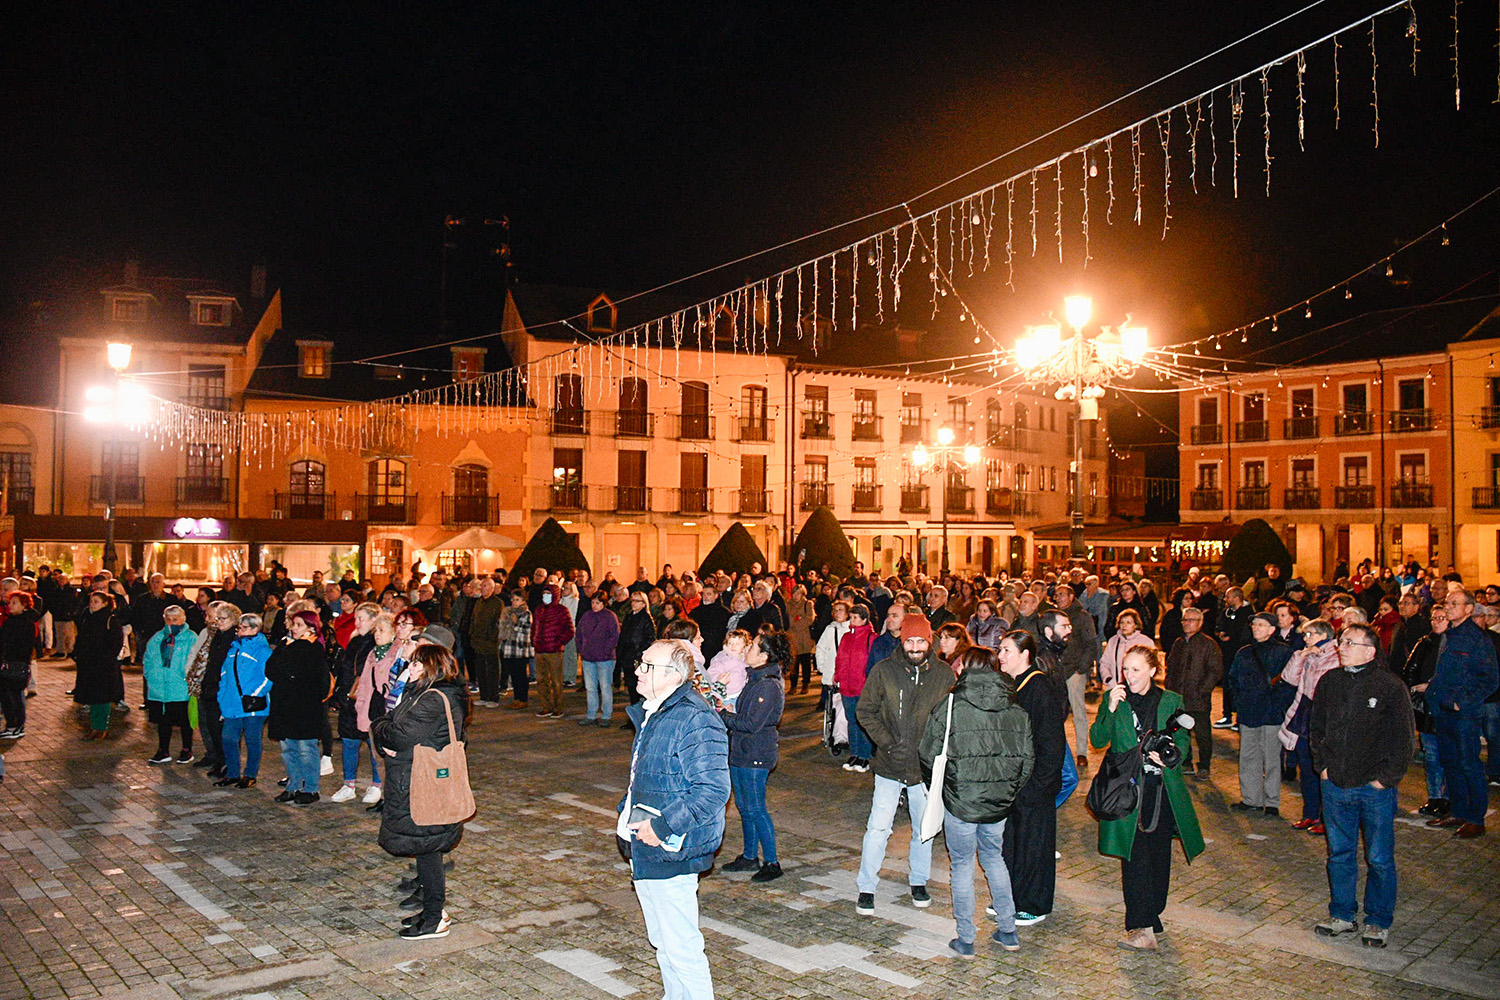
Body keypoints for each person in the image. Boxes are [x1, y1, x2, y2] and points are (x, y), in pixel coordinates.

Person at [617, 639, 730, 1000]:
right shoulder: (656, 710)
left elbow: (713, 789)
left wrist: (662, 826)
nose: (638, 670)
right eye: (641, 662)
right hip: (646, 845)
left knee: (681, 945)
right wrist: (626, 812)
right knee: (662, 941)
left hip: (672, 847)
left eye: (647, 665)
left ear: (673, 675)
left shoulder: (695, 718)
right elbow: (642, 775)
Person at [921, 644, 1033, 957]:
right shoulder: (1015, 708)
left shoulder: (952, 705)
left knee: (961, 865)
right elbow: (1027, 759)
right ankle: (1008, 930)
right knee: (994, 858)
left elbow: (928, 751)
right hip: (998, 805)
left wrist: (946, 786)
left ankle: (966, 937)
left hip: (961, 802)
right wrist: (1008, 790)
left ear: (967, 668)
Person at [1090, 645, 1205, 951]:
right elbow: (1098, 739)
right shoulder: (1115, 698)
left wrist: (1172, 756)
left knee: (1159, 856)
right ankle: (1140, 926)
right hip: (1128, 790)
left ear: (1153, 670)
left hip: (1163, 790)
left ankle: (1152, 915)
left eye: (1136, 669)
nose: (1129, 676)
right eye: (1125, 669)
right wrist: (1110, 707)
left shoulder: (1170, 701)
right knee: (1135, 857)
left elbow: (1183, 742)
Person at [1310, 622, 1415, 947]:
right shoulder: (1329, 682)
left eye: (1350, 643)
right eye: (1342, 642)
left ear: (1370, 651)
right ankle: (1342, 915)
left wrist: (1385, 780)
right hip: (1336, 784)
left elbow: (1404, 739)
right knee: (1339, 854)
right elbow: (1316, 727)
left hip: (1374, 790)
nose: (1342, 647)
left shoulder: (1389, 686)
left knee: (1379, 857)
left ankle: (1378, 920)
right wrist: (1323, 767)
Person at [853, 614, 955, 916]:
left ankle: (919, 880)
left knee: (924, 828)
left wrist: (935, 751)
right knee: (878, 827)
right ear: (902, 641)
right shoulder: (885, 670)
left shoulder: (944, 675)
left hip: (924, 767)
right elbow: (866, 710)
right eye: (909, 640)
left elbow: (951, 718)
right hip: (889, 763)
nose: (914, 647)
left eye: (920, 641)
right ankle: (867, 886)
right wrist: (887, 742)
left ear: (929, 641)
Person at [372, 642, 470, 940]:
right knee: (428, 852)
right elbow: (393, 726)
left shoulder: (432, 699)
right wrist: (385, 731)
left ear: (433, 667)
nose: (409, 668)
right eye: (410, 663)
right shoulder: (420, 693)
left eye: (416, 664)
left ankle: (434, 919)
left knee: (428, 851)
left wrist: (378, 727)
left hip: (425, 784)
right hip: (415, 779)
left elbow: (398, 734)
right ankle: (432, 911)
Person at [996, 630, 1067, 926]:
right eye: (1000, 650)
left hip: (1034, 784)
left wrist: (1038, 784)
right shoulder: (1014, 685)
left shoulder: (1039, 688)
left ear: (1025, 655)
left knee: (1034, 845)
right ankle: (1012, 896)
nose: (1000, 656)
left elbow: (1051, 742)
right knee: (1012, 842)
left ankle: (1034, 903)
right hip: (1013, 782)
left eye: (1006, 651)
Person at [1422, 589, 1498, 838]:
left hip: (1463, 714)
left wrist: (1461, 703)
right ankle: (1458, 811)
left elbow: (1490, 679)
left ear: (1469, 609)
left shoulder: (1477, 639)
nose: (1449, 607)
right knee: (1450, 763)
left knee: (1469, 764)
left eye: (1455, 603)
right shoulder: (1449, 635)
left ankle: (1476, 818)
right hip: (1442, 710)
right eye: (1447, 603)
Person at [720, 630, 788, 883]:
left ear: (764, 655)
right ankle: (750, 856)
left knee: (757, 808)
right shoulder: (755, 678)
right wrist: (731, 709)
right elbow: (746, 714)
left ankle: (772, 861)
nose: (747, 649)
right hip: (742, 751)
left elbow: (751, 723)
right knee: (744, 807)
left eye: (753, 647)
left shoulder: (768, 684)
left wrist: (723, 716)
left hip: (755, 754)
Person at [1278, 620, 1342, 834]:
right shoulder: (1308, 654)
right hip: (1304, 715)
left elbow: (1323, 688)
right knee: (1306, 769)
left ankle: (1326, 819)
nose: (1305, 639)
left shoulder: (1336, 656)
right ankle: (1310, 814)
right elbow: (1288, 679)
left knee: (1323, 770)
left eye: (1309, 634)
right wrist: (1302, 655)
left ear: (1323, 635)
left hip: (1324, 718)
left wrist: (1315, 656)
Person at [1230, 612, 1293, 815]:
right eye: (1254, 624)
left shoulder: (1283, 652)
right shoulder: (1244, 652)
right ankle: (1251, 799)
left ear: (1272, 629)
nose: (1255, 628)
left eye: (1261, 625)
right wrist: (1239, 702)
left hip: (1271, 712)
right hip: (1249, 711)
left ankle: (1272, 802)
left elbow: (1289, 682)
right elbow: (1232, 679)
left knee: (1272, 758)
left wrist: (1279, 702)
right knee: (1248, 756)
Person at [265, 610, 331, 805]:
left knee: (306, 749)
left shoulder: (313, 648)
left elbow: (298, 672)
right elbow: (270, 670)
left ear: (311, 628)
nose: (293, 628)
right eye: (293, 624)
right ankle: (293, 785)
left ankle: (311, 788)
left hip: (305, 709)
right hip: (284, 706)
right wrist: (285, 650)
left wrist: (290, 650)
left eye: (299, 625)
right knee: (288, 749)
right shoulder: (286, 645)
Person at [331, 602, 382, 803]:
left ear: (373, 620)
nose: (357, 622)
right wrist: (341, 694)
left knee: (372, 743)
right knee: (349, 741)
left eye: (362, 618)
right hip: (349, 700)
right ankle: (348, 784)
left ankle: (377, 784)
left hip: (368, 701)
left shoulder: (376, 643)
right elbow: (345, 669)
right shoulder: (354, 642)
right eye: (356, 618)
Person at [1164, 607, 1222, 777]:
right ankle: (1186, 761)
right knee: (1181, 732)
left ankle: (1204, 765)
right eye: (1184, 620)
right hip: (1179, 697)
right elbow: (1171, 666)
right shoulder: (1179, 643)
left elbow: (1215, 671)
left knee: (1202, 734)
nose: (1186, 624)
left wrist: (1202, 691)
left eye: (1191, 620)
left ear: (1200, 623)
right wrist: (1170, 688)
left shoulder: (1208, 644)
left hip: (1198, 698)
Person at [216, 614, 272, 788]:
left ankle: (250, 774)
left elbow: (269, 676)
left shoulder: (262, 650)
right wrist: (222, 695)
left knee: (252, 740)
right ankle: (232, 773)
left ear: (255, 629)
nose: (240, 631)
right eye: (239, 627)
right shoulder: (234, 649)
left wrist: (255, 693)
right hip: (232, 703)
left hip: (252, 705)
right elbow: (224, 674)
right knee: (229, 738)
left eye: (244, 627)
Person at [188, 602, 242, 777]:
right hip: (210, 686)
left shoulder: (234, 639)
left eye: (222, 618)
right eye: (217, 618)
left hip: (224, 689)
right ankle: (219, 760)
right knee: (212, 727)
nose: (218, 622)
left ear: (233, 620)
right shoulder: (218, 636)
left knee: (224, 731)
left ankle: (229, 764)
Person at [142, 605, 198, 764]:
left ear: (183, 619)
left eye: (175, 619)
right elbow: (148, 658)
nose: (172, 623)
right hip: (160, 687)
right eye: (168, 619)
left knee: (184, 721)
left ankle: (187, 749)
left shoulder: (190, 637)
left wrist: (186, 677)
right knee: (162, 721)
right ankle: (163, 750)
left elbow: (194, 661)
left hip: (180, 687)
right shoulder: (157, 637)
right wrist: (150, 676)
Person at [73, 592, 125, 739]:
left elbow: (116, 642)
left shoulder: (110, 619)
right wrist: (77, 653)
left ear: (105, 604)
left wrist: (107, 658)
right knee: (92, 697)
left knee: (101, 698)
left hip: (103, 665)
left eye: (96, 601)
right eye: (91, 601)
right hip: (88, 663)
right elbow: (82, 637)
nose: (92, 604)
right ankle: (95, 727)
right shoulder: (87, 618)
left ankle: (101, 727)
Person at [833, 605, 877, 772]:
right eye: (851, 617)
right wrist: (838, 676)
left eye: (856, 618)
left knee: (862, 721)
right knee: (851, 720)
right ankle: (855, 752)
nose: (852, 621)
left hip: (862, 686)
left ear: (865, 619)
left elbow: (873, 662)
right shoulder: (846, 637)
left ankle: (864, 755)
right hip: (847, 685)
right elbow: (840, 659)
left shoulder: (871, 638)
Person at [576, 592, 621, 726]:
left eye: (598, 603)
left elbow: (615, 635)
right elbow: (579, 633)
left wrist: (606, 650)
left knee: (605, 686)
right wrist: (582, 649)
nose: (594, 606)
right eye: (593, 603)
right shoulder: (587, 615)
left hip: (605, 658)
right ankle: (591, 714)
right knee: (590, 687)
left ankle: (606, 715)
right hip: (588, 657)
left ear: (604, 603)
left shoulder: (609, 616)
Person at [531, 583, 575, 719]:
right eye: (544, 593)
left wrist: (558, 642)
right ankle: (546, 707)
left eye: (549, 594)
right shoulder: (539, 610)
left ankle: (558, 707)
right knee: (541, 680)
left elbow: (569, 630)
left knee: (556, 681)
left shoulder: (562, 610)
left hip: (554, 651)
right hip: (540, 650)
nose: (546, 596)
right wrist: (534, 640)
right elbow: (534, 628)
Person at [466, 577, 506, 707]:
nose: (481, 588)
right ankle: (484, 696)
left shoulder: (497, 603)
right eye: (481, 586)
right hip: (478, 642)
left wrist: (493, 638)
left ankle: (493, 697)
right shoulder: (479, 602)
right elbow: (473, 619)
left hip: (490, 643)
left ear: (491, 588)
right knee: (481, 670)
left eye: (484, 586)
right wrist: (471, 634)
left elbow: (498, 623)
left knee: (492, 670)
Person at [615, 590, 657, 715]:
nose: (633, 603)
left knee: (638, 689)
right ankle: (634, 714)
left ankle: (640, 714)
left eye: (637, 601)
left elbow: (650, 638)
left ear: (644, 603)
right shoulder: (629, 617)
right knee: (631, 688)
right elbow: (623, 636)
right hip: (627, 656)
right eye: (632, 600)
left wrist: (639, 652)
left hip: (637, 657)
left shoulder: (646, 618)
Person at [495, 590, 533, 710]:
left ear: (523, 601)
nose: (514, 602)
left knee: (521, 675)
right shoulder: (508, 612)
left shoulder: (526, 613)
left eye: (517, 599)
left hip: (520, 649)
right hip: (509, 648)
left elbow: (526, 631)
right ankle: (516, 698)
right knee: (514, 675)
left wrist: (515, 624)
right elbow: (503, 629)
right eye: (512, 599)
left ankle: (523, 699)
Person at [1100, 609, 1155, 689]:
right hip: (1115, 687)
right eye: (1122, 622)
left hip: (1137, 688)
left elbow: (1151, 665)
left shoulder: (1146, 642)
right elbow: (1104, 663)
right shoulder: (1113, 641)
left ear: (1135, 625)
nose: (1124, 626)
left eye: (1128, 623)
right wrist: (1108, 679)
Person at [688, 582, 729, 662]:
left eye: (709, 594)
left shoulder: (723, 613)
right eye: (704, 594)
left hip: (715, 649)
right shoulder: (695, 612)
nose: (705, 597)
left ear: (716, 596)